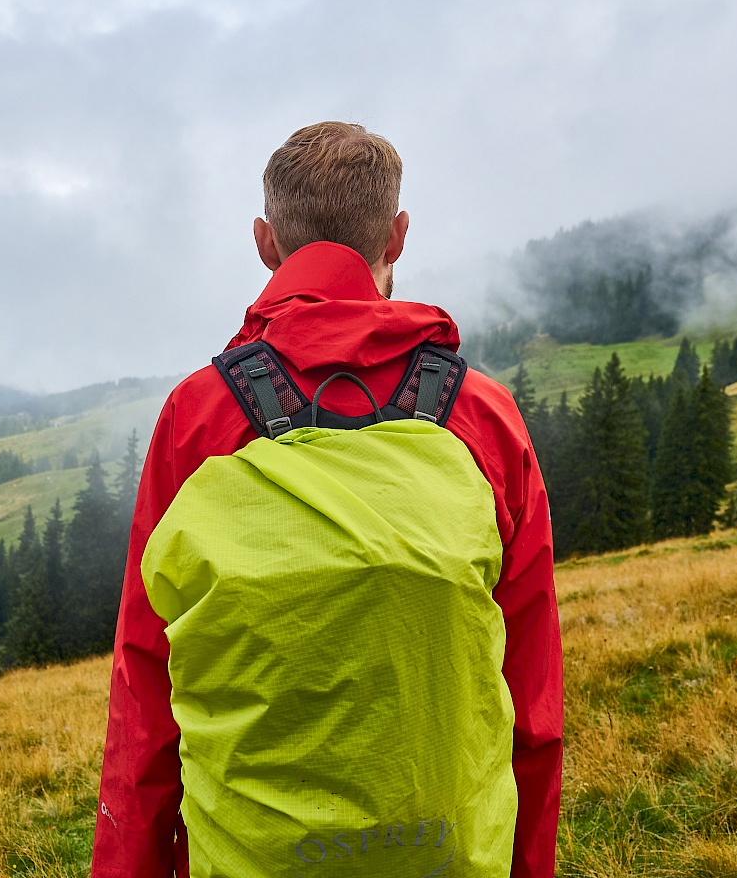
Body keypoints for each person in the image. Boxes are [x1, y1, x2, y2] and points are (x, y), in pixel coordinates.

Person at [91, 121, 563, 877]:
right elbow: (532, 696)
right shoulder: (481, 415)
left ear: (265, 243)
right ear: (398, 235)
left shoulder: (201, 415)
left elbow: (146, 689)